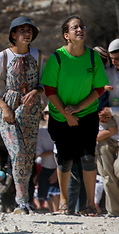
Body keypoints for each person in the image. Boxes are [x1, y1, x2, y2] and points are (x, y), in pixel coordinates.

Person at [41, 16, 108, 216]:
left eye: (82, 26)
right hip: (60, 117)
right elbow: (49, 90)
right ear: (66, 35)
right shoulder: (58, 58)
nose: (80, 29)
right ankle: (63, 201)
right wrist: (66, 114)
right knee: (65, 160)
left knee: (88, 158)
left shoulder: (93, 57)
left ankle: (90, 204)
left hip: (86, 114)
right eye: (74, 27)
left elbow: (99, 89)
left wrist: (78, 108)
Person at [0, 16, 44, 214]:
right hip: (9, 110)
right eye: (22, 30)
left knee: (28, 158)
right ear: (13, 34)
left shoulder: (38, 55)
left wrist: (36, 92)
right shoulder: (2, 56)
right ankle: (20, 202)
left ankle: (24, 202)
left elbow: (44, 83)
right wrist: (4, 107)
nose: (26, 34)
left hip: (31, 111)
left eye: (29, 30)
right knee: (17, 153)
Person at [96, 38, 119, 217]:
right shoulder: (107, 71)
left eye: (117, 58)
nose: (114, 63)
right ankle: (114, 211)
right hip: (106, 127)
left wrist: (113, 111)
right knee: (106, 172)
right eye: (112, 59)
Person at [35, 106, 60, 212]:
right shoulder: (41, 132)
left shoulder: (61, 130)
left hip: (59, 168)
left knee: (56, 194)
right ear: (44, 116)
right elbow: (39, 153)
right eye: (48, 113)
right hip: (46, 168)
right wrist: (55, 151)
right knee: (47, 195)